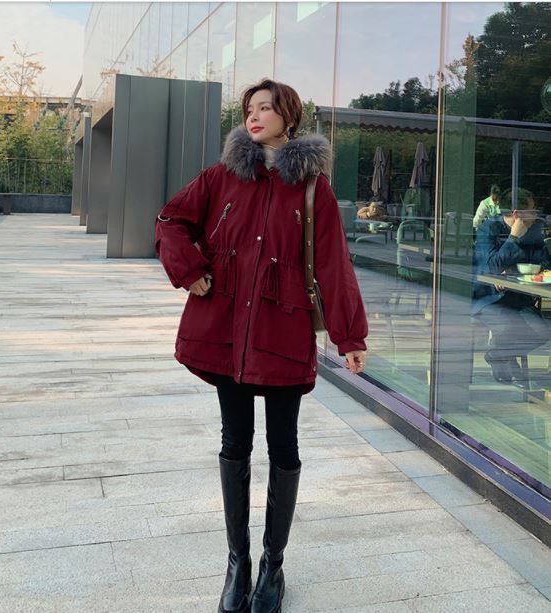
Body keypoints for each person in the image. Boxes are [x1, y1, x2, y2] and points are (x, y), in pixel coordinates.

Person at [155, 79, 368, 613]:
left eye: (266, 108)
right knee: (235, 443)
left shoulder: (313, 189)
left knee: (284, 447)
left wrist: (350, 335)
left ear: (288, 118)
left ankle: (273, 565)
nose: (254, 116)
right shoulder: (222, 176)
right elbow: (170, 220)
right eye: (249, 109)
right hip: (226, 331)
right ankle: (238, 563)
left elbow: (334, 265)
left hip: (282, 331)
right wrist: (190, 269)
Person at [472, 188, 549, 387]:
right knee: (510, 327)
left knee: (543, 331)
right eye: (532, 211)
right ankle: (507, 359)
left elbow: (544, 263)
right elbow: (491, 267)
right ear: (516, 214)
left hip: (519, 297)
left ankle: (497, 355)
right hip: (489, 299)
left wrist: (512, 270)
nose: (535, 216)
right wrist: (513, 238)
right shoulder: (489, 229)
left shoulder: (533, 230)